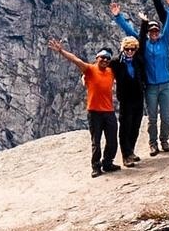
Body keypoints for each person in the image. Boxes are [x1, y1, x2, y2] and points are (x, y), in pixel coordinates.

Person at [46, 37, 123, 176]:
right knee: (96, 141)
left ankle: (107, 163)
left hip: (109, 111)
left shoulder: (111, 72)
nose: (105, 60)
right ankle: (96, 166)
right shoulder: (90, 69)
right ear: (97, 58)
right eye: (103, 57)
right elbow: (76, 60)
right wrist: (61, 51)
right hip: (94, 112)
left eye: (107, 58)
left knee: (112, 140)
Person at [108, 0, 169, 159]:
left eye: (132, 49)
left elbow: (141, 38)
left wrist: (144, 23)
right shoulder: (116, 62)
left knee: (135, 125)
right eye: (127, 49)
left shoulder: (138, 59)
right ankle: (125, 154)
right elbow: (99, 67)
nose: (129, 51)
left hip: (138, 97)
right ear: (123, 49)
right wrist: (118, 17)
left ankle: (131, 151)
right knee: (125, 126)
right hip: (125, 99)